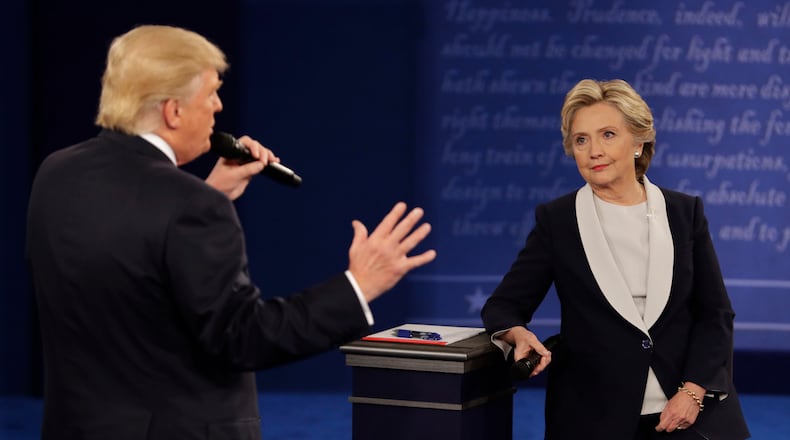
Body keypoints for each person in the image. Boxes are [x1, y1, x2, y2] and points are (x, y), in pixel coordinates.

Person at [26, 25, 436, 440]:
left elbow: (128, 277)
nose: (218, 106)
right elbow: (243, 337)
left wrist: (209, 193)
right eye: (210, 94)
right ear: (174, 111)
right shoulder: (191, 207)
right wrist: (358, 285)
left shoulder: (56, 174)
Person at [481, 79, 750, 439]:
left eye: (608, 134)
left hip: (687, 414)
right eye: (581, 140)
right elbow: (504, 305)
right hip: (592, 420)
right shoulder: (558, 221)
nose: (593, 150)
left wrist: (693, 392)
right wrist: (517, 334)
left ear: (639, 142)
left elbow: (715, 314)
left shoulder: (685, 213)